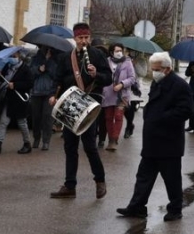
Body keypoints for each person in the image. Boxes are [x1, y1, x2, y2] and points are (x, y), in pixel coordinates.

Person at [116, 52, 193, 221]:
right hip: (152, 140)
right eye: (153, 69)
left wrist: (161, 118)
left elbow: (185, 110)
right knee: (144, 176)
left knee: (171, 178)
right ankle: (136, 207)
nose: (154, 72)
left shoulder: (180, 86)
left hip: (168, 141)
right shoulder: (157, 83)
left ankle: (175, 209)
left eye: (157, 69)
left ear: (167, 69)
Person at [49, 23, 112, 199]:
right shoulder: (66, 57)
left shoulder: (98, 55)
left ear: (89, 38)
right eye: (80, 38)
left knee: (89, 145)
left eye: (86, 38)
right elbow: (58, 79)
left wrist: (96, 74)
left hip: (90, 102)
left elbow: (108, 79)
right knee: (70, 145)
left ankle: (100, 181)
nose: (83, 41)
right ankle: (70, 185)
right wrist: (54, 95)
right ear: (75, 38)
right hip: (71, 103)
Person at [0, 49, 33, 155]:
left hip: (19, 100)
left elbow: (30, 84)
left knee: (22, 123)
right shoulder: (8, 67)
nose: (12, 57)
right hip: (8, 99)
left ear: (20, 57)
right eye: (12, 55)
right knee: (3, 122)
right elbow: (3, 80)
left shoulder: (25, 69)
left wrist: (15, 85)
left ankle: (27, 144)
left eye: (14, 55)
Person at [101, 43, 136, 151]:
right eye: (116, 51)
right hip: (108, 93)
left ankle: (113, 140)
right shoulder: (106, 61)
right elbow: (103, 75)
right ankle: (110, 137)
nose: (119, 52)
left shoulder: (127, 62)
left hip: (122, 95)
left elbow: (132, 78)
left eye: (120, 50)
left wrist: (122, 84)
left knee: (119, 116)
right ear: (111, 52)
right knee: (109, 117)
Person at [29, 46, 58, 150]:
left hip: (49, 92)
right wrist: (39, 69)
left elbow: (56, 74)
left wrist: (48, 62)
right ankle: (36, 138)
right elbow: (30, 73)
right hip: (36, 91)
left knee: (47, 117)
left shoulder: (55, 59)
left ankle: (46, 141)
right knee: (36, 117)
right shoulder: (35, 59)